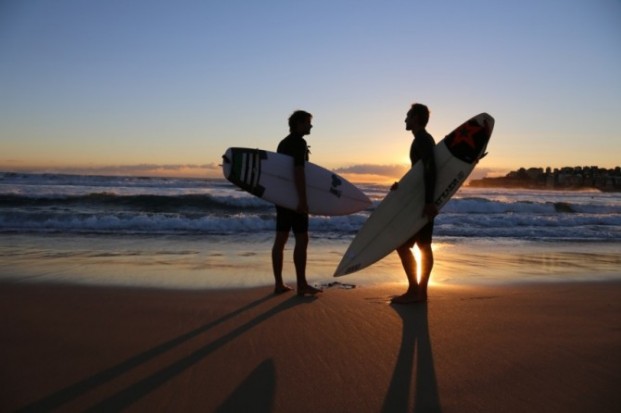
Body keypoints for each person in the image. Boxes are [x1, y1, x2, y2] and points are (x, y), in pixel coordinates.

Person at [272, 110, 322, 297]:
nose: (310, 126)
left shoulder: (283, 143)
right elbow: (299, 171)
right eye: (308, 122)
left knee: (281, 239)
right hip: (294, 198)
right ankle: (301, 284)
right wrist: (302, 199)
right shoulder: (299, 143)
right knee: (302, 239)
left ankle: (278, 284)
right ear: (299, 123)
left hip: (282, 198)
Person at [391, 103, 438, 304]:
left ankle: (415, 291)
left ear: (416, 118)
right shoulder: (423, 140)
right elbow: (419, 173)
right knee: (423, 245)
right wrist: (401, 186)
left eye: (408, 116)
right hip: (421, 200)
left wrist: (428, 202)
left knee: (404, 245)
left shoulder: (422, 140)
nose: (405, 120)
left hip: (421, 203)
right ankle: (420, 292)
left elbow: (431, 169)